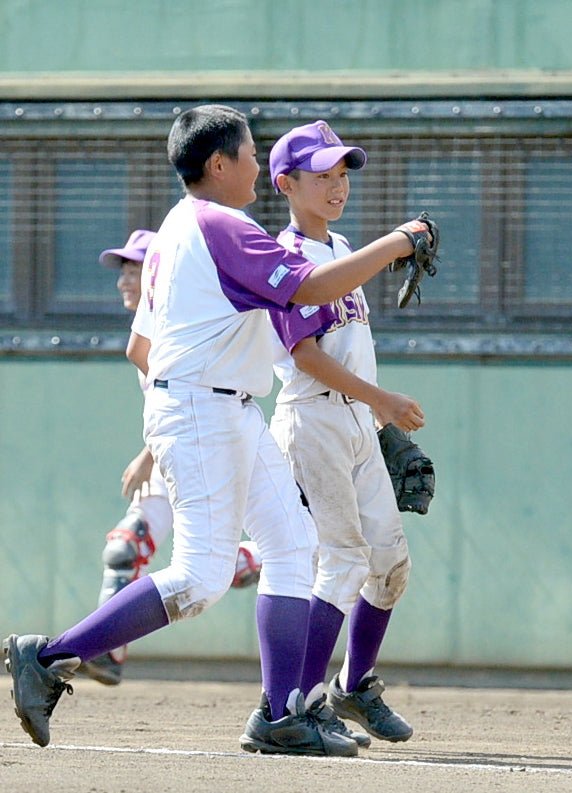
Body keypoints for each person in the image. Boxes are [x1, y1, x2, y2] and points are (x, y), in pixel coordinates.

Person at [3, 104, 433, 756]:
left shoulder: (190, 224)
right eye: (251, 153)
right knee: (200, 576)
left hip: (232, 406)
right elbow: (310, 288)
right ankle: (51, 654)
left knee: (294, 548)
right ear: (218, 165)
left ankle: (281, 711)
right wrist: (399, 241)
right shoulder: (217, 224)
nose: (258, 163)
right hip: (200, 409)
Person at [266, 121, 425, 744]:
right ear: (286, 183)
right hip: (314, 419)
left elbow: (351, 348)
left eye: (342, 176)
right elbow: (304, 355)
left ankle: (354, 687)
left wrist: (377, 414)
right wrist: (380, 398)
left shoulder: (341, 250)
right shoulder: (286, 259)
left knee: (390, 567)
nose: (337, 187)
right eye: (322, 176)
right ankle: (298, 705)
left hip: (356, 420)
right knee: (340, 564)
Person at [79, 230, 261, 687]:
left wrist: (146, 454)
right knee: (125, 546)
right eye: (123, 271)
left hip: (206, 446)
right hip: (171, 451)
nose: (125, 280)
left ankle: (261, 558)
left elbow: (192, 396)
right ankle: (105, 653)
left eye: (135, 269)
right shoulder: (146, 328)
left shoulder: (186, 323)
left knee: (210, 572)